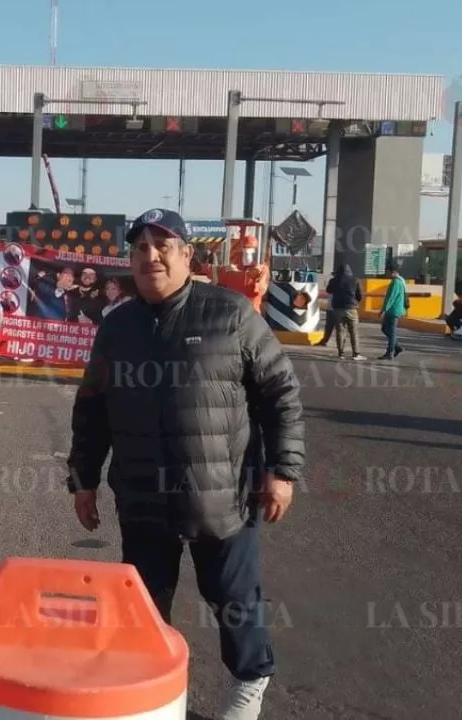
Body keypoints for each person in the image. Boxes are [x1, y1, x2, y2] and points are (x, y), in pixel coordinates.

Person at [67, 208, 303, 720]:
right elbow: (92, 408)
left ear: (187, 256)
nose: (150, 256)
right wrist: (83, 479)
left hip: (222, 498)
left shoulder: (231, 314)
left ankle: (247, 684)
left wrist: (282, 470)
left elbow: (280, 394)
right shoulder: (117, 329)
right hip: (143, 499)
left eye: (162, 246)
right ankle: (156, 695)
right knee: (144, 609)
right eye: (139, 248)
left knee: (233, 600)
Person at [325, 264, 364, 360]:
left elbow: (328, 290)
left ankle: (340, 353)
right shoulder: (355, 280)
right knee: (353, 331)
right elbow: (360, 295)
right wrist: (355, 302)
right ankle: (356, 354)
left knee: (340, 331)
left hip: (338, 308)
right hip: (351, 308)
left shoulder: (334, 280)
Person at [378, 264, 407, 360]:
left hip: (393, 310)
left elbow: (391, 298)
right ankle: (397, 347)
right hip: (394, 309)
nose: (386, 273)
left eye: (387, 271)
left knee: (392, 331)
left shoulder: (396, 282)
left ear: (392, 271)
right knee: (385, 329)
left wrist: (383, 310)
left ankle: (390, 352)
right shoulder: (401, 281)